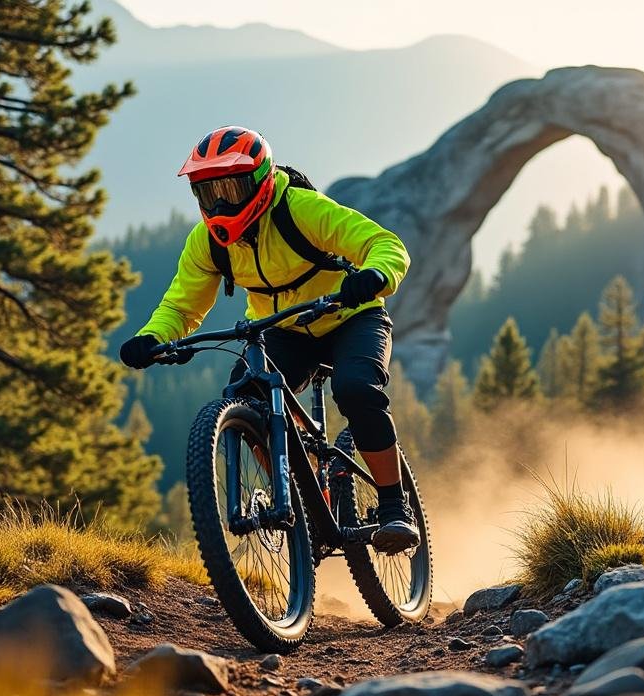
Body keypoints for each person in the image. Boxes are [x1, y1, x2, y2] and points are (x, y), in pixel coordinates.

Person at [118, 126, 419, 553]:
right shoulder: (208, 243)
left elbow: (384, 244)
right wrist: (151, 337)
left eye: (231, 189)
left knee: (355, 389)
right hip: (284, 329)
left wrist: (374, 275)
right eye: (208, 192)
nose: (220, 203)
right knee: (249, 396)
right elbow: (182, 306)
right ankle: (303, 489)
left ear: (260, 182)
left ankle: (394, 507)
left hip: (352, 318)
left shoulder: (301, 209)